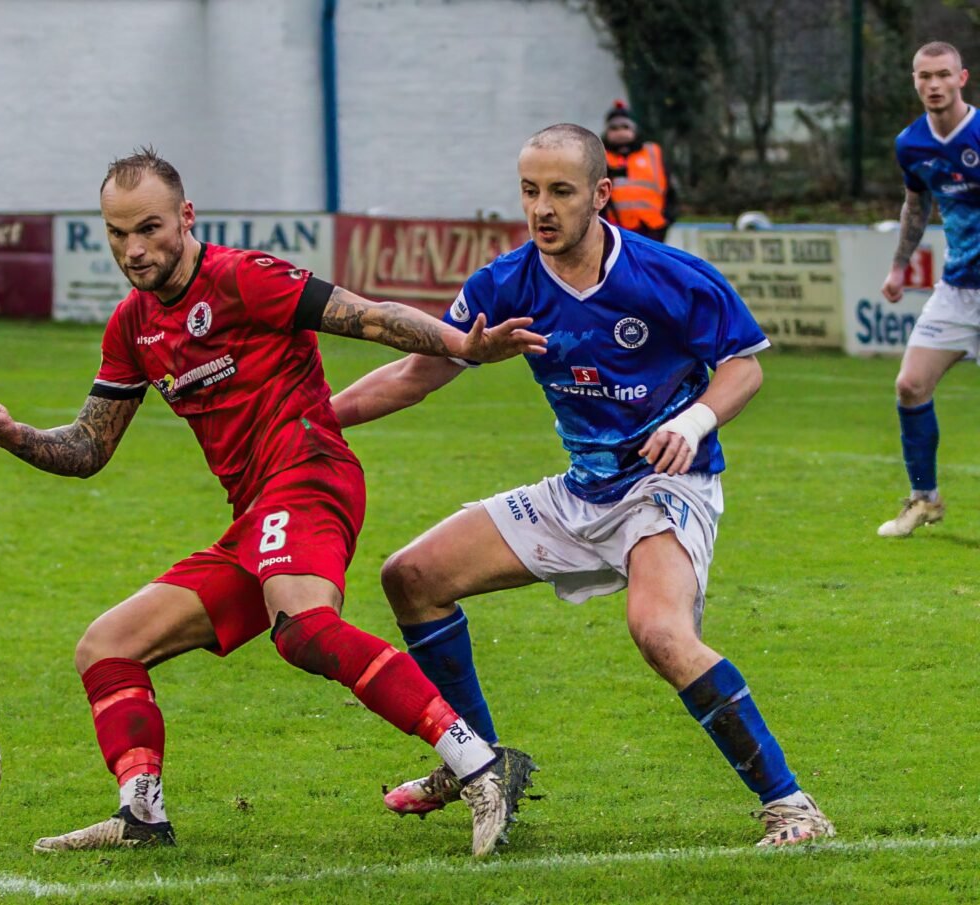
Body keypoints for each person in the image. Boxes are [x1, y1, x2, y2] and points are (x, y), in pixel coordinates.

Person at [0, 148, 546, 857]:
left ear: (185, 216)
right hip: (257, 517)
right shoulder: (132, 326)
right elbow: (89, 446)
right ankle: (141, 813)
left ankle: (478, 763)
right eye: (117, 234)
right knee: (109, 646)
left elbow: (367, 317)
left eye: (148, 228)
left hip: (310, 472)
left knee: (305, 629)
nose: (133, 249)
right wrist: (13, 434)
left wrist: (462, 344)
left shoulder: (241, 279)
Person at [330, 123, 835, 847]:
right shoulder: (507, 285)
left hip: (666, 487)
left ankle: (790, 804)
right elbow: (418, 373)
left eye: (560, 191)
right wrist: (314, 421)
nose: (542, 208)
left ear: (601, 195)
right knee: (410, 575)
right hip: (581, 491)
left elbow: (744, 365)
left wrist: (692, 423)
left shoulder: (667, 277)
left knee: (659, 630)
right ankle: (481, 762)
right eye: (530, 191)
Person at [877, 41, 979, 538]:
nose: (933, 85)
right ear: (914, 81)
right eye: (924, 76)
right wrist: (899, 267)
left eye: (943, 75)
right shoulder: (911, 143)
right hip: (959, 289)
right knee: (910, 385)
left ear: (962, 78)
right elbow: (916, 209)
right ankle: (925, 499)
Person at [601, 100, 676, 243]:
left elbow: (670, 191)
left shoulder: (653, 152)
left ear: (634, 129)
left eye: (625, 127)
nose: (620, 132)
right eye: (614, 128)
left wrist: (667, 219)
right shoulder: (600, 156)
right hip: (615, 232)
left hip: (653, 229)